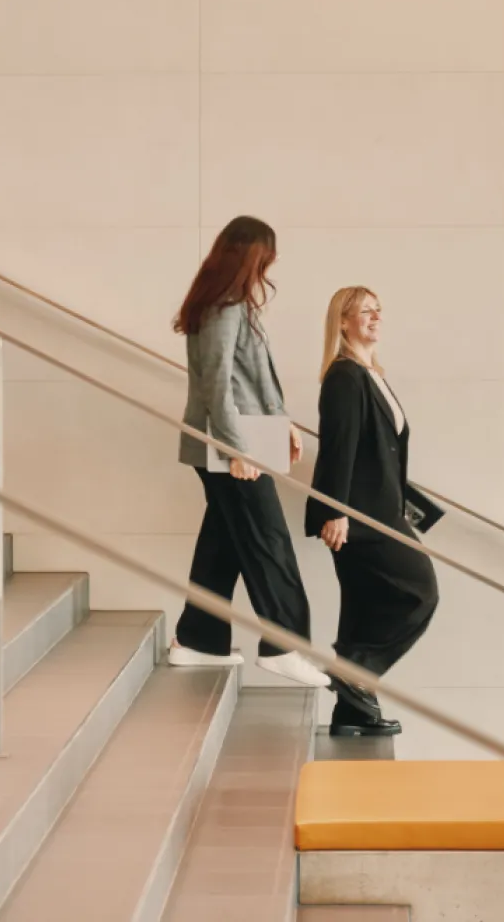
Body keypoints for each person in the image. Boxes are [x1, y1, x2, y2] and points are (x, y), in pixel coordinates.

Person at [168, 216, 328, 687]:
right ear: (249, 256)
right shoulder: (224, 306)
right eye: (266, 260)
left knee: (223, 544)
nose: (268, 270)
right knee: (268, 541)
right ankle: (284, 644)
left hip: (243, 439)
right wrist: (236, 451)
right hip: (230, 444)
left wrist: (285, 426)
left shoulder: (232, 304)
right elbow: (218, 386)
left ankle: (197, 640)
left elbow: (252, 379)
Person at [305, 286, 443, 737]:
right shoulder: (344, 376)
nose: (375, 317)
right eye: (365, 311)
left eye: (378, 310)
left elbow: (385, 453)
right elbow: (338, 449)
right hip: (359, 517)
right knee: (419, 591)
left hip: (380, 510)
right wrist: (335, 510)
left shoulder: (371, 373)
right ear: (342, 322)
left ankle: (353, 715)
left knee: (362, 609)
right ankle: (354, 672)